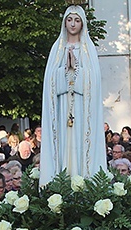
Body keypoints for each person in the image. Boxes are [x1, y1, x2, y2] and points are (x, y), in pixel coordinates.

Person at [40, 5, 106, 185]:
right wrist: (65, 71)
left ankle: (84, 180)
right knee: (62, 144)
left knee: (81, 143)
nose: (73, 24)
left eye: (77, 20)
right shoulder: (57, 49)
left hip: (82, 108)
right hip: (62, 108)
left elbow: (94, 82)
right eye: (69, 20)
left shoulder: (88, 49)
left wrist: (77, 71)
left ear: (83, 24)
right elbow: (50, 81)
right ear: (64, 22)